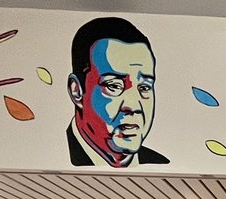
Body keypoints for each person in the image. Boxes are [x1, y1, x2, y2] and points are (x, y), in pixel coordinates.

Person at [66, 17, 168, 167]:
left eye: (144, 87)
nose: (133, 106)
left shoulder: (159, 164)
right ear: (77, 91)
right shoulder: (49, 155)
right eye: (114, 86)